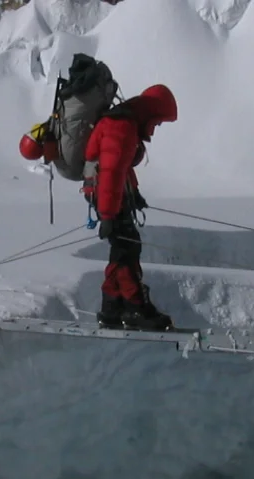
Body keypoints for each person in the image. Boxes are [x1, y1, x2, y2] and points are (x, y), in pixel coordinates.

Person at [85, 84, 178, 330]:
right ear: (150, 113)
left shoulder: (125, 123)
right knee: (126, 248)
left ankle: (112, 308)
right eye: (157, 123)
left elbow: (121, 167)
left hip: (109, 195)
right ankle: (136, 308)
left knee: (124, 247)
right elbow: (111, 173)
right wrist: (107, 215)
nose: (155, 129)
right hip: (107, 196)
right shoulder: (122, 127)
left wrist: (133, 194)